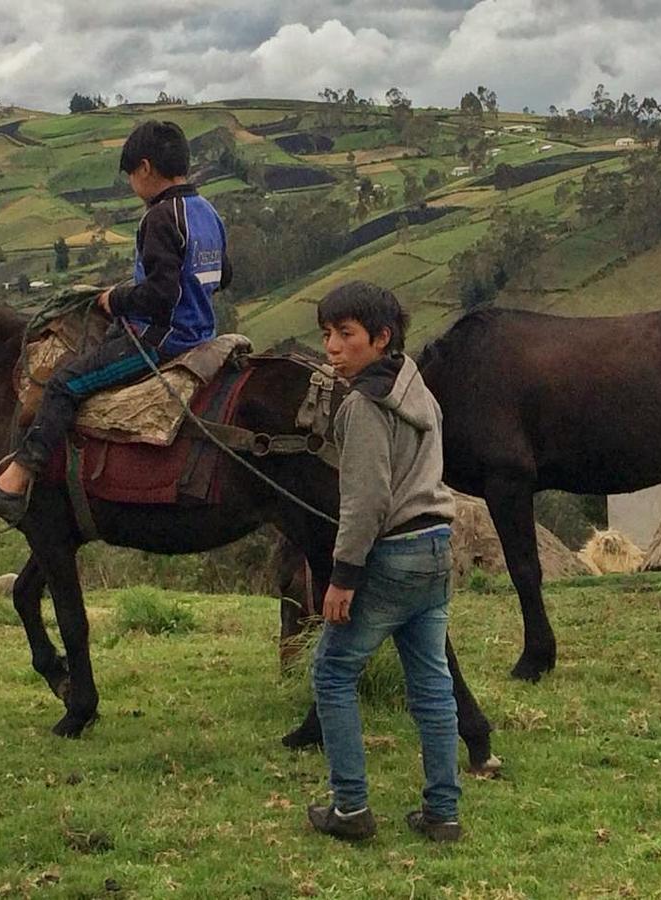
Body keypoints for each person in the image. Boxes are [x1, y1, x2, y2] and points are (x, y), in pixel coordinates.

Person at [0, 120, 231, 523]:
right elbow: (223, 276)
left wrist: (115, 298)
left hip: (159, 341)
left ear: (145, 169)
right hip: (203, 334)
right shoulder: (207, 212)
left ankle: (15, 482)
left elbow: (160, 294)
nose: (132, 184)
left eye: (131, 174)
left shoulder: (160, 218)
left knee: (63, 384)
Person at [306, 281, 462, 843]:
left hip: (391, 555)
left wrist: (343, 576)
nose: (332, 348)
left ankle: (350, 808)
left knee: (332, 673)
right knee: (431, 684)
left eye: (346, 335)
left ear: (381, 337)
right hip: (438, 548)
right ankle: (443, 812)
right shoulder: (418, 391)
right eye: (327, 334)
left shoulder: (365, 407)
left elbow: (366, 500)